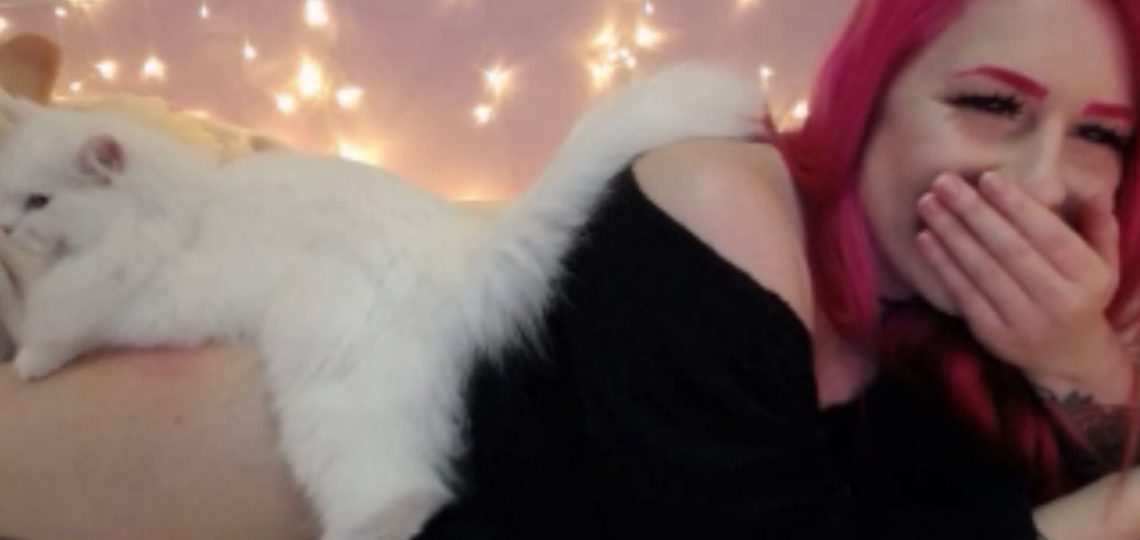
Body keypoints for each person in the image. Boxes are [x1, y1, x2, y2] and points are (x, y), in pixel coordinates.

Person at [3, 0, 1140, 538]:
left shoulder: (954, 317)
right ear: (867, 97)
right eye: (991, 105)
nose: (1046, 181)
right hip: (101, 441)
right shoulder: (720, 201)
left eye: (1101, 134)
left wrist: (1076, 360)